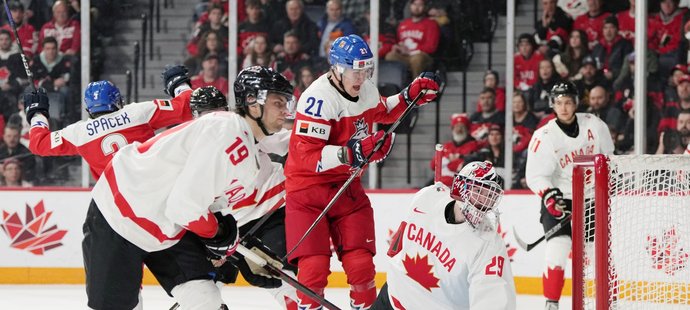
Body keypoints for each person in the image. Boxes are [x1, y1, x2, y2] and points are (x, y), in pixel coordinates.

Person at [26, 65, 293, 309]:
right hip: (118, 218)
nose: (285, 110)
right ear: (252, 103)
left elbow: (40, 144)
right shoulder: (215, 128)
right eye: (278, 102)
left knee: (205, 298)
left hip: (164, 222)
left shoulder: (249, 156)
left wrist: (37, 114)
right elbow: (186, 207)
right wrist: (220, 237)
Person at [284, 34, 440, 309]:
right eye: (355, 71)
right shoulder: (317, 100)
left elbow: (383, 112)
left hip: (347, 188)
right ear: (337, 69)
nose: (361, 78)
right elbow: (306, 156)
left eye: (366, 71)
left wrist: (409, 96)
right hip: (307, 191)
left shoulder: (364, 89)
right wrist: (354, 152)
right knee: (313, 269)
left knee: (361, 265)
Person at [373, 161, 516, 310]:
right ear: (461, 187)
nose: (483, 201)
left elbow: (494, 298)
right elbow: (400, 243)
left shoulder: (488, 244)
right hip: (389, 298)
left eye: (490, 196)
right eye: (479, 191)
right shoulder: (427, 197)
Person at [525, 81, 614, 310]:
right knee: (558, 248)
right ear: (552, 105)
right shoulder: (543, 136)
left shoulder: (594, 125)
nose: (563, 108)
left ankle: (601, 301)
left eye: (568, 102)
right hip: (559, 199)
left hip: (592, 198)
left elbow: (610, 159)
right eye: (559, 103)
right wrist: (549, 195)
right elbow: (535, 176)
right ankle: (551, 304)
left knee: (593, 255)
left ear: (575, 103)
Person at [25, 67, 194, 180]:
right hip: (152, 183)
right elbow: (186, 106)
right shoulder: (138, 112)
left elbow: (38, 143)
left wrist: (37, 113)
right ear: (117, 100)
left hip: (116, 205)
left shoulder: (79, 133)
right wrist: (178, 83)